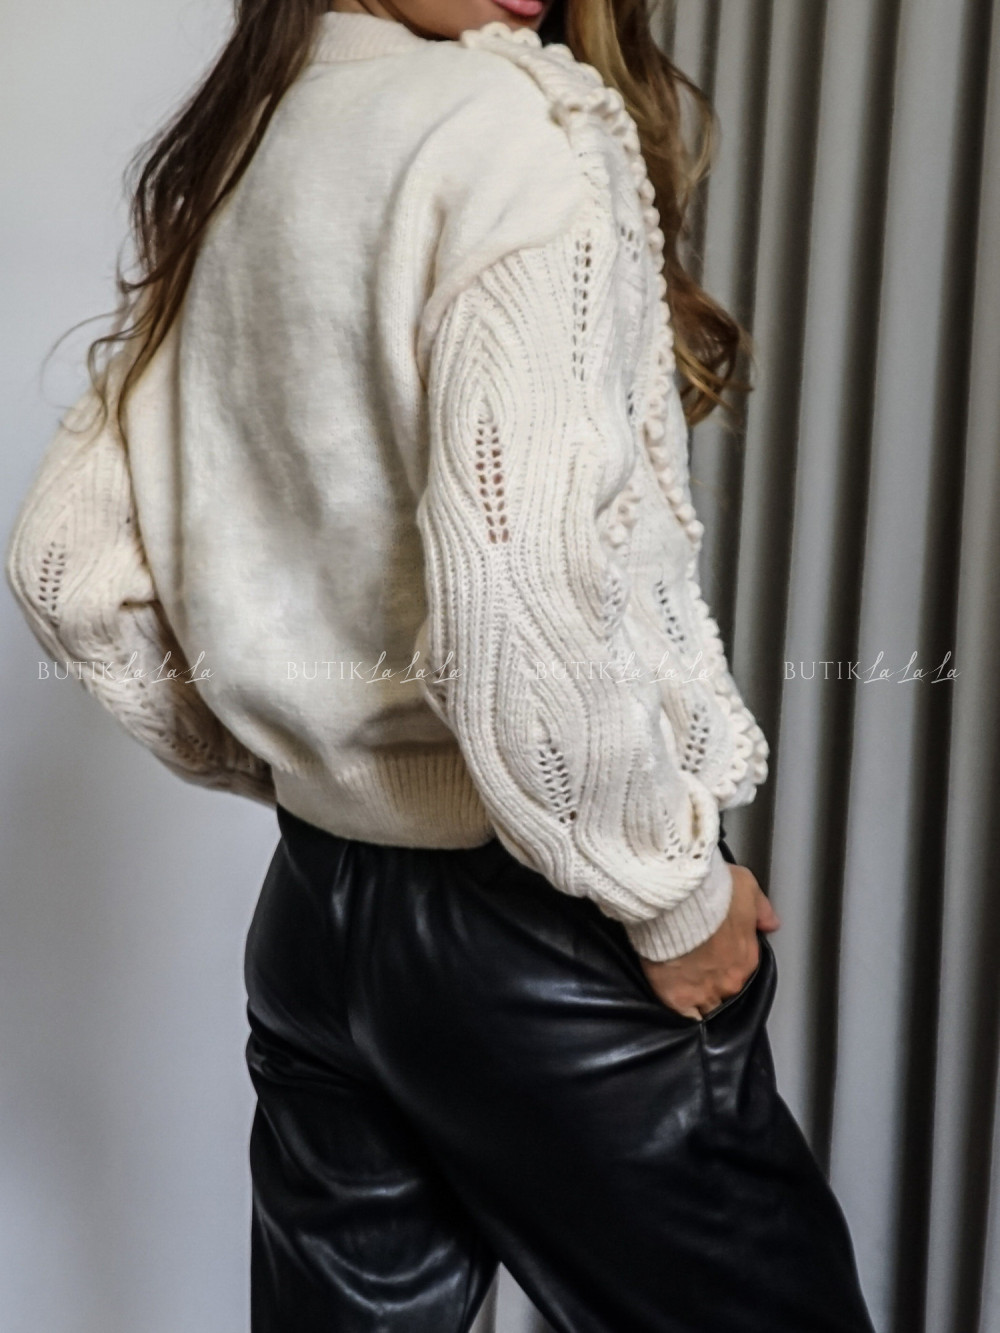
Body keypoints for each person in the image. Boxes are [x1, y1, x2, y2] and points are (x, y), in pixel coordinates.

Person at [5, 0, 878, 1329]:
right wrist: (673, 898)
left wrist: (308, 758)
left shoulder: (249, 141)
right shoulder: (503, 130)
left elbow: (67, 565)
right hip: (535, 935)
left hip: (317, 926)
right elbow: (523, 600)